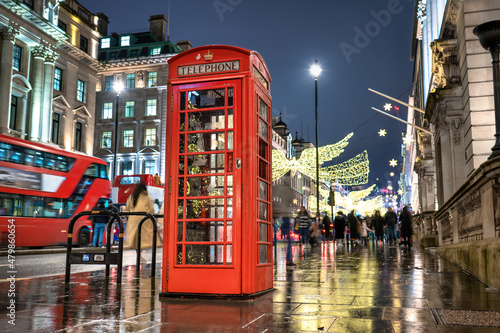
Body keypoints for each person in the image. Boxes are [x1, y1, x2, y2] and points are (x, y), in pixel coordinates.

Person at [124, 183, 157, 263]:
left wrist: (128, 220)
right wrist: (153, 219)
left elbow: (127, 209)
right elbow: (151, 210)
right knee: (145, 239)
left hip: (133, 221)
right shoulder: (147, 197)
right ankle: (141, 255)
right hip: (144, 220)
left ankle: (139, 254)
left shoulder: (132, 197)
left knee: (135, 240)